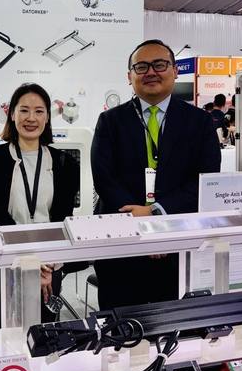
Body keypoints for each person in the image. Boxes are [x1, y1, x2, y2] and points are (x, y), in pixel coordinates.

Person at [91, 39, 221, 309]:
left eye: (159, 65)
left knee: (177, 325)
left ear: (175, 70)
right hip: (122, 245)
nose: (150, 72)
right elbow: (104, 178)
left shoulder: (199, 122)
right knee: (120, 326)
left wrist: (157, 214)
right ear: (130, 76)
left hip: (177, 247)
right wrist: (139, 223)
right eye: (141, 67)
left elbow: (205, 180)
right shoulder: (110, 121)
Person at [0, 83, 79, 329]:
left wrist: (45, 264)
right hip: (5, 262)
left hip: (48, 266)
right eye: (24, 110)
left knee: (43, 335)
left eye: (39, 111)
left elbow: (62, 220)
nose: (31, 118)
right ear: (12, 115)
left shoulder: (65, 163)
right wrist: (29, 259)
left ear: (47, 117)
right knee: (2, 333)